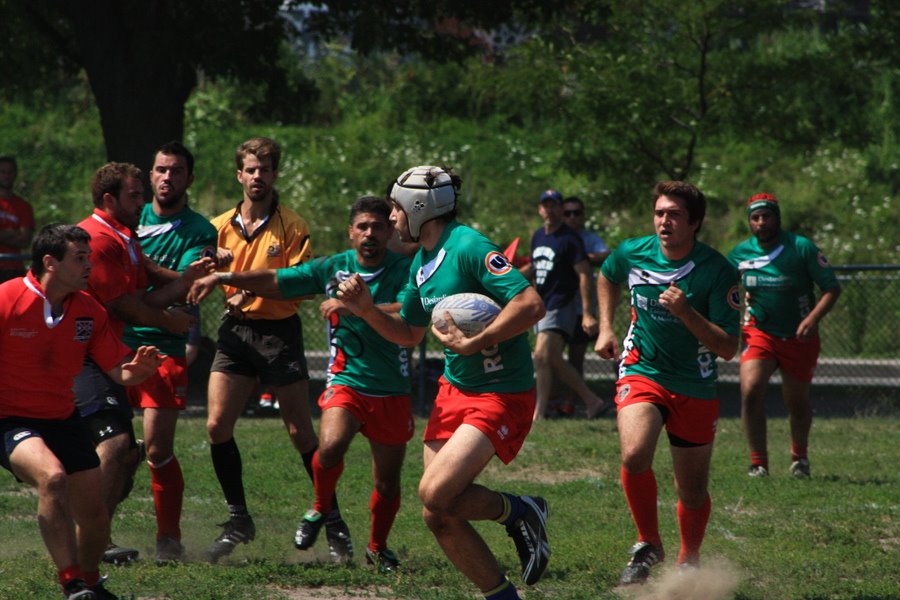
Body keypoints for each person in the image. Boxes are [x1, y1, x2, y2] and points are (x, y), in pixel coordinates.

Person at [336, 165, 550, 600]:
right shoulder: (420, 263)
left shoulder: (469, 246)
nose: (392, 218)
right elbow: (410, 334)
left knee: (434, 491)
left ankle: (519, 510)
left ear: (419, 206)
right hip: (454, 391)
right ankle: (501, 595)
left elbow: (531, 304)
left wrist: (481, 341)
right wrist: (367, 310)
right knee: (438, 512)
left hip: (500, 391)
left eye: (396, 208)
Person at [189, 196, 413, 573]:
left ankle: (378, 547)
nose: (370, 234)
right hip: (347, 380)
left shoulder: (407, 270)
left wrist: (360, 307)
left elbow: (411, 312)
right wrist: (224, 276)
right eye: (363, 227)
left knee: (387, 483)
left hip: (392, 388)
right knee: (329, 447)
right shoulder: (333, 268)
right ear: (350, 232)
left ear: (390, 231)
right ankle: (321, 510)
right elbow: (277, 280)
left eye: (378, 227)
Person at [202, 136, 351, 563]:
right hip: (235, 332)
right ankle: (238, 520)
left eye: (265, 169)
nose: (257, 177)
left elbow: (296, 284)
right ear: (239, 175)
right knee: (215, 426)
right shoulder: (217, 226)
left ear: (274, 175)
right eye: (250, 169)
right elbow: (196, 265)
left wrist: (236, 277)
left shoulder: (293, 225)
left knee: (301, 433)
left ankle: (333, 519)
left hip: (278, 333)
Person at [0, 224, 163, 600]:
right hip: (11, 419)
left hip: (62, 417)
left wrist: (137, 371)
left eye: (89, 257)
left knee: (94, 514)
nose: (89, 265)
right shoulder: (8, 299)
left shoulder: (88, 311)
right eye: (79, 258)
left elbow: (117, 370)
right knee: (53, 478)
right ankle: (71, 582)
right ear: (50, 262)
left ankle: (90, 582)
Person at [594, 180, 740, 585]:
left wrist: (686, 313)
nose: (664, 221)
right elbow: (607, 276)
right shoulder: (632, 252)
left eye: (674, 215)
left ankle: (689, 557)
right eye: (659, 213)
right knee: (635, 454)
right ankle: (647, 545)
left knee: (691, 491)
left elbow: (728, 347)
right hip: (643, 370)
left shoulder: (717, 271)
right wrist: (605, 327)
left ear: (694, 223)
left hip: (695, 384)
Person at [75, 162, 202, 565]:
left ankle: (96, 535)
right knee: (114, 448)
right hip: (84, 356)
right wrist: (171, 321)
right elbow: (123, 305)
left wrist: (186, 279)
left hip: (109, 355)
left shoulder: (124, 233)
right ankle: (89, 538)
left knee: (128, 453)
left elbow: (145, 276)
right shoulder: (97, 238)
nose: (143, 201)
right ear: (109, 199)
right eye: (134, 195)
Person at [121, 141, 218, 562]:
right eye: (160, 170)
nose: (166, 178)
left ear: (189, 179)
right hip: (117, 343)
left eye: (176, 171)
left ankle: (168, 538)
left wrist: (144, 287)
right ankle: (98, 535)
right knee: (112, 449)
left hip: (163, 346)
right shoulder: (130, 218)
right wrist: (164, 285)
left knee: (157, 449)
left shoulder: (200, 231)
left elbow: (190, 290)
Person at [727, 193, 841, 478]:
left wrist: (812, 319)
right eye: (755, 217)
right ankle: (758, 464)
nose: (762, 222)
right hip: (759, 332)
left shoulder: (800, 248)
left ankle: (799, 459)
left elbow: (831, 288)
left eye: (767, 216)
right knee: (751, 392)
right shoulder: (740, 254)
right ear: (749, 222)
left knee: (797, 402)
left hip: (798, 337)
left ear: (777, 217)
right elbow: (721, 287)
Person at [520, 189, 605, 421]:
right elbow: (537, 269)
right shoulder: (538, 236)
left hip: (561, 303)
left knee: (541, 355)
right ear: (540, 210)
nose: (550, 209)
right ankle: (586, 402)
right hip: (543, 304)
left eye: (554, 205)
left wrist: (587, 313)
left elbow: (585, 274)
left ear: (560, 209)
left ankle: (544, 411)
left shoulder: (569, 238)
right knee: (547, 359)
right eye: (545, 205)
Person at [561, 196, 610, 415]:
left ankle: (572, 400)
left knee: (576, 356)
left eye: (576, 213)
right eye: (567, 213)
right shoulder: (557, 237)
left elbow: (606, 254)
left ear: (583, 215)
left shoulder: (588, 238)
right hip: (559, 306)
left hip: (581, 308)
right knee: (549, 356)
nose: (572, 217)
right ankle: (569, 398)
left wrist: (581, 257)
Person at [0, 155, 35, 282]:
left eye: (10, 172)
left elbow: (25, 240)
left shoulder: (24, 206)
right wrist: (12, 233)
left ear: (15, 174)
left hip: (13, 268)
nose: (6, 176)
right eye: (2, 172)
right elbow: (19, 235)